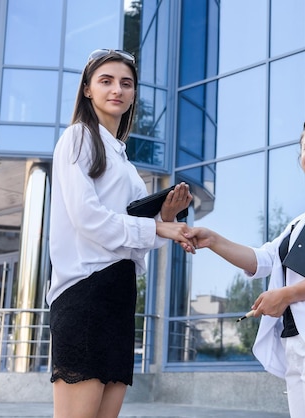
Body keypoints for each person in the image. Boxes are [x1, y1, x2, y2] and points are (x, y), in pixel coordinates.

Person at [186, 117, 305, 418]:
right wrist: (213, 240)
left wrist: (287, 295)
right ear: (301, 157)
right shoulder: (303, 219)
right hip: (299, 346)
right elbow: (264, 259)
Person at [46, 49, 194, 418]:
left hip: (119, 293)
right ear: (87, 90)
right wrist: (157, 225)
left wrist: (167, 219)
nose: (118, 90)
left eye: (126, 83)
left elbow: (139, 237)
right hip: (84, 292)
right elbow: (87, 217)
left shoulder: (126, 163)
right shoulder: (78, 137)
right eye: (106, 81)